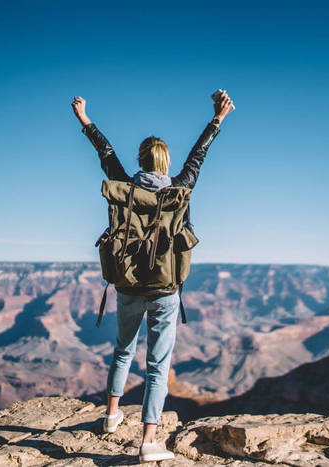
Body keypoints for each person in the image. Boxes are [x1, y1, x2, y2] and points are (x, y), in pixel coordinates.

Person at [71, 91, 235, 462]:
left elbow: (106, 155)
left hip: (128, 284)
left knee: (123, 350)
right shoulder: (180, 190)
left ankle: (111, 416)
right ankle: (148, 443)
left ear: (142, 161)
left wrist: (85, 120)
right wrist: (217, 119)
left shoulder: (125, 188)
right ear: (164, 163)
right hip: (165, 288)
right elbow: (199, 156)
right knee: (157, 366)